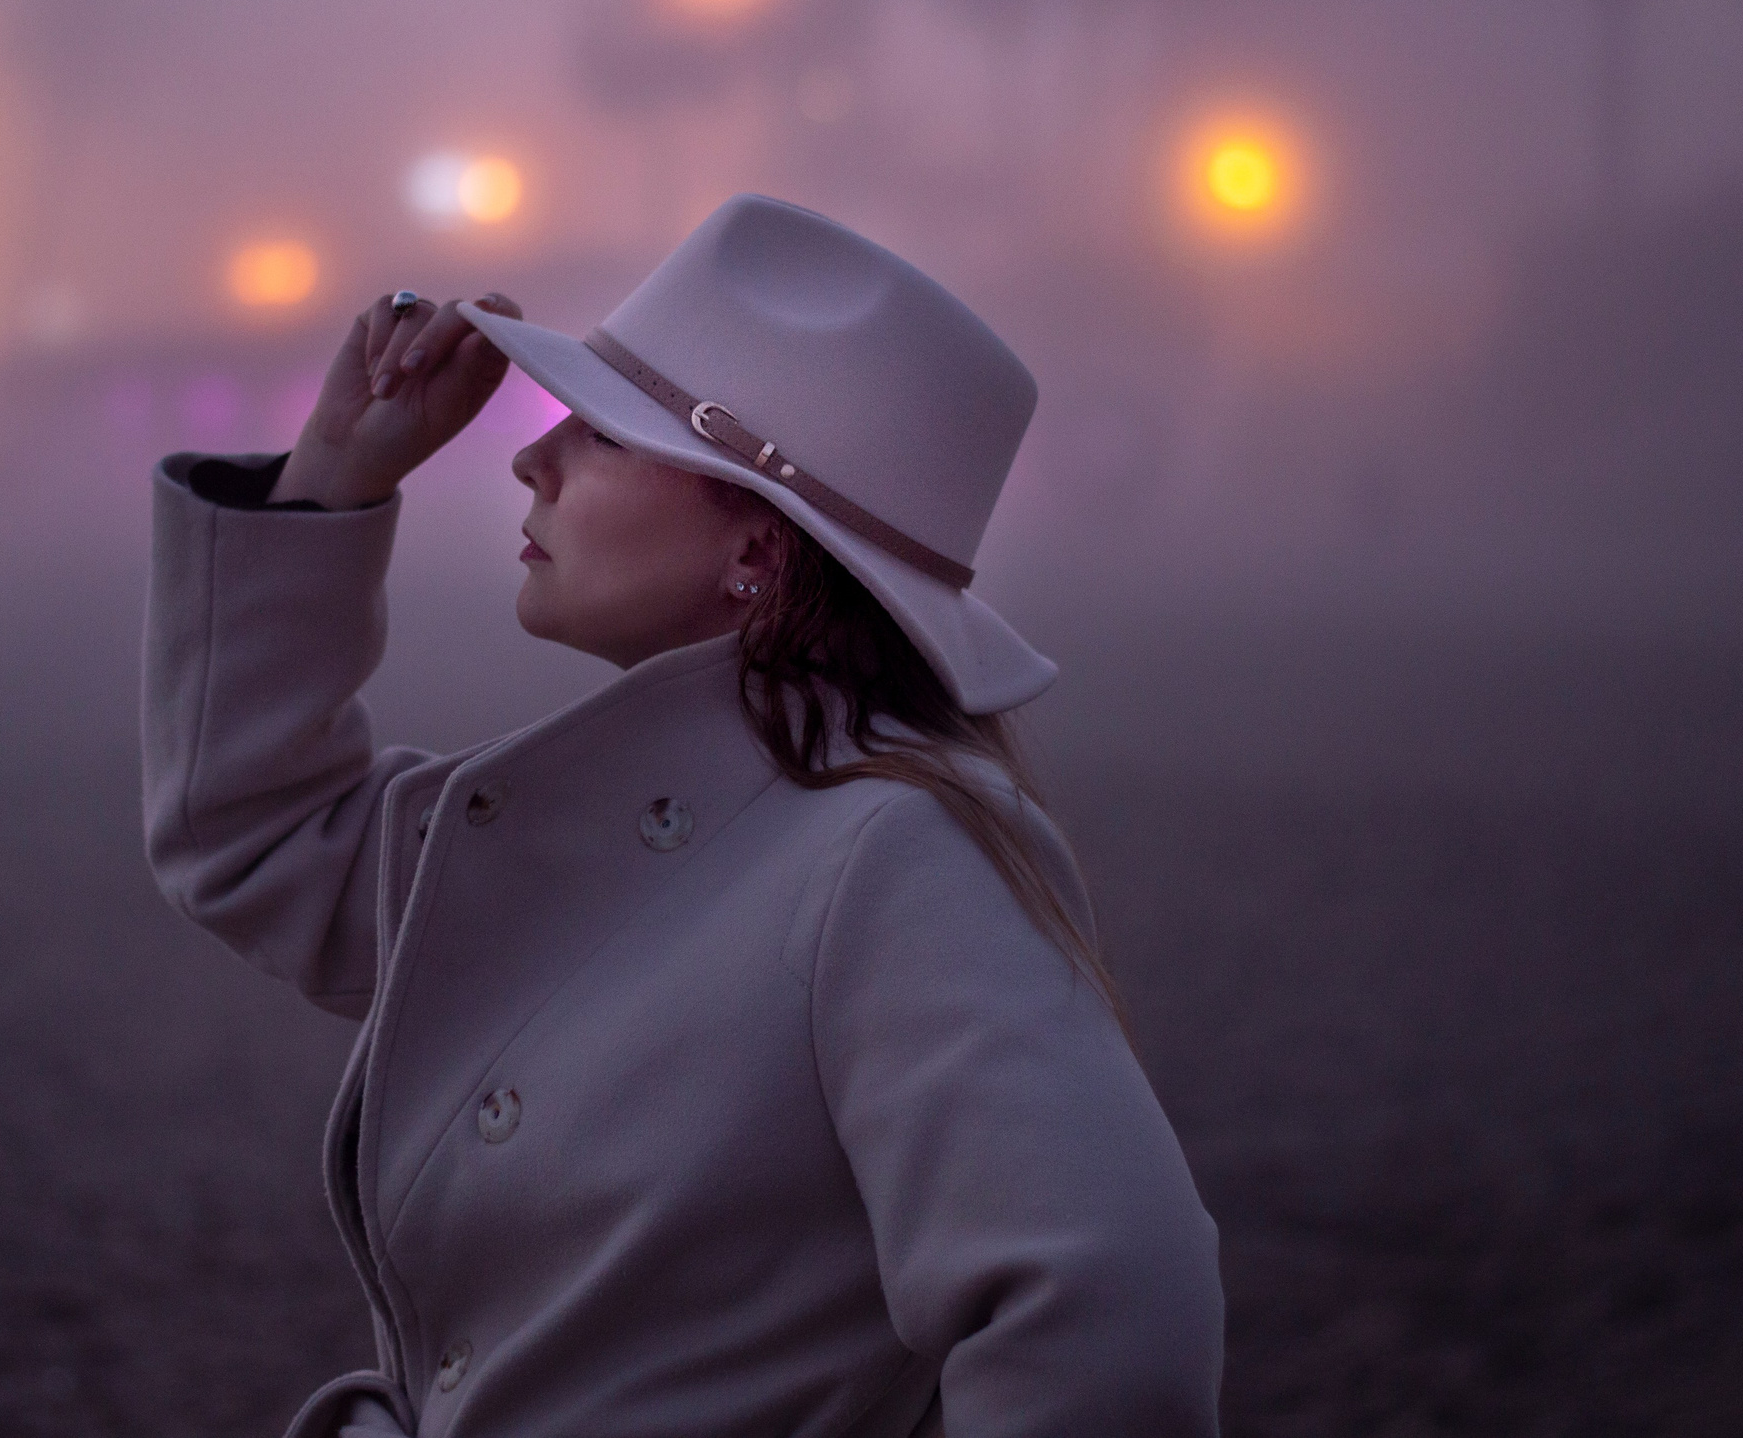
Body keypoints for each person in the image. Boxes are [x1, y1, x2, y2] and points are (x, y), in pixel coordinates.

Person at [142, 194, 1224, 1437]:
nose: (526, 457)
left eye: (598, 434)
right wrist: (330, 476)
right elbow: (255, 835)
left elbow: (1113, 1322)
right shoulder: (633, 819)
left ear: (755, 549)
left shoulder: (892, 855)